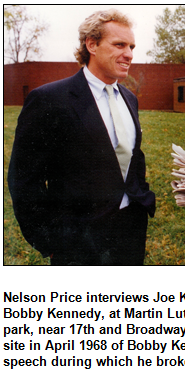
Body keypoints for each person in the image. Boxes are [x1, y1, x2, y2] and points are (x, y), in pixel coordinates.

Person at [8, 9, 155, 265]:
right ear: (92, 45)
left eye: (131, 46)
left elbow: (133, 157)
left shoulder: (129, 99)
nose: (129, 54)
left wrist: (140, 199)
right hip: (78, 243)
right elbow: (24, 180)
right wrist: (49, 240)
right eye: (119, 44)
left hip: (130, 231)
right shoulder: (50, 99)